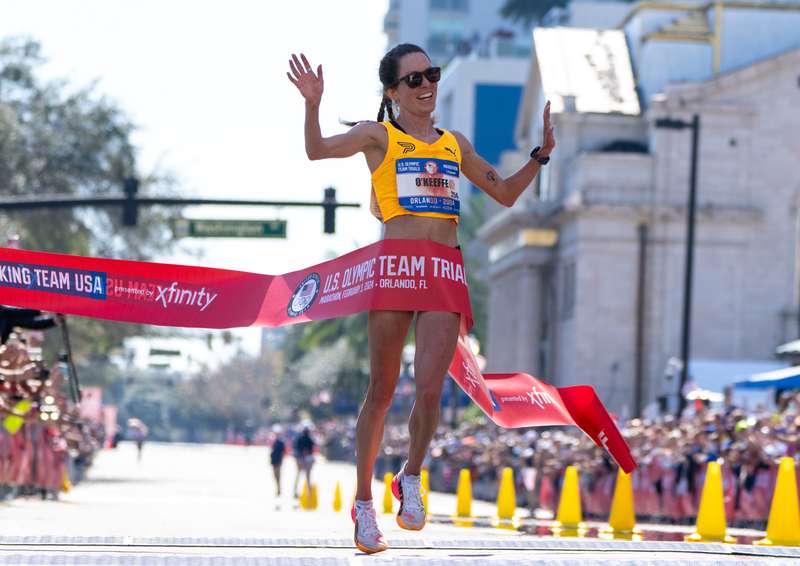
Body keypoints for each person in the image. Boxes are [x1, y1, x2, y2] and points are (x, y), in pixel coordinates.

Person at [287, 43, 554, 553]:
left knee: (429, 389)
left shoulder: (454, 142)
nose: (426, 85)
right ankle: (364, 504)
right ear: (392, 91)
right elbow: (317, 150)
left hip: (443, 269)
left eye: (430, 74)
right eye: (413, 79)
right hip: (397, 267)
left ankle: (411, 475)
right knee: (382, 392)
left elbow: (505, 194)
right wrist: (312, 103)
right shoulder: (378, 136)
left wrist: (540, 155)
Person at [292, 425, 315, 500]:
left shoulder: (301, 439)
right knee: (306, 476)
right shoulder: (306, 439)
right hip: (303, 459)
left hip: (302, 459)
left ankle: (299, 492)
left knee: (301, 475)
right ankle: (307, 493)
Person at [270, 425, 287, 499]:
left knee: (278, 476)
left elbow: (283, 452)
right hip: (273, 461)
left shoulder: (281, 442)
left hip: (278, 461)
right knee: (274, 476)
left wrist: (281, 460)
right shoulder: (274, 441)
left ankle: (279, 489)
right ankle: (278, 488)